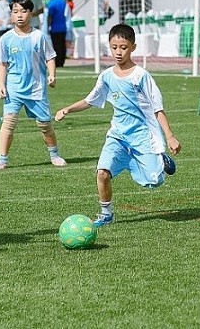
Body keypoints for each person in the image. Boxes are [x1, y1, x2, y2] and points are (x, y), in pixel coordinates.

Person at [54, 23, 181, 227]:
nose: (118, 52)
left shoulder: (141, 76)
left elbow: (157, 108)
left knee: (153, 181)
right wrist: (67, 109)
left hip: (142, 135)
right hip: (118, 136)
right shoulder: (106, 76)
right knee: (102, 172)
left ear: (133, 47)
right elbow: (90, 100)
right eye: (114, 47)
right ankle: (106, 214)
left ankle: (160, 160)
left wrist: (170, 136)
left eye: (123, 47)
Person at [0, 0, 67, 170]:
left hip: (36, 87)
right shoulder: (5, 39)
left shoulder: (39, 36)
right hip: (14, 88)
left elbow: (50, 57)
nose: (19, 15)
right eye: (15, 11)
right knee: (8, 122)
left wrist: (51, 74)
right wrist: (1, 85)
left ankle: (54, 155)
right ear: (11, 14)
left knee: (44, 124)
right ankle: (2, 159)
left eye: (23, 11)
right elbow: (2, 64)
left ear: (31, 13)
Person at [47, 0, 68, 67]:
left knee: (56, 46)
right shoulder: (63, 1)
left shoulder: (52, 2)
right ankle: (62, 61)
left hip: (55, 27)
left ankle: (58, 62)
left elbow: (50, 16)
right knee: (62, 45)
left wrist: (48, 26)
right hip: (63, 26)